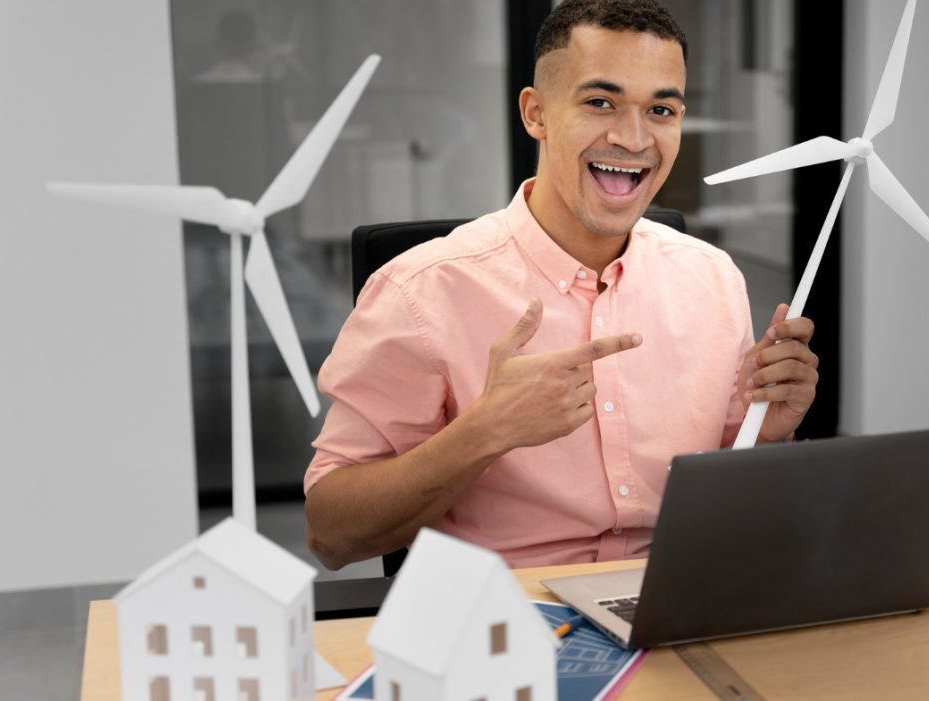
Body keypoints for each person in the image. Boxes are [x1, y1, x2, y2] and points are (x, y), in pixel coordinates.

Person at [303, 0, 818, 571]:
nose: (633, 137)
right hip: (505, 616)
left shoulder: (713, 276)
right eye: (601, 103)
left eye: (661, 110)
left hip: (677, 595)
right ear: (536, 113)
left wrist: (766, 436)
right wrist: (484, 432)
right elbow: (330, 533)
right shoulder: (421, 290)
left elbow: (734, 503)